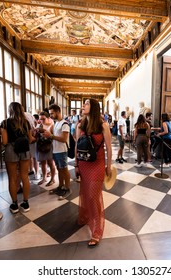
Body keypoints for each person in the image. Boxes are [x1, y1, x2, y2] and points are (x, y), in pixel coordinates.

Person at [75, 98, 112, 247]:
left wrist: (109, 166)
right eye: (83, 104)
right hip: (84, 164)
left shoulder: (103, 125)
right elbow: (78, 146)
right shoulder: (80, 125)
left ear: (94, 107)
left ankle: (97, 227)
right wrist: (76, 165)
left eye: (87, 103)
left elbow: (109, 148)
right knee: (86, 192)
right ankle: (88, 215)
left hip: (97, 164)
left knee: (92, 195)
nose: (83, 105)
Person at [1, 102, 33, 214]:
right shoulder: (26, 122)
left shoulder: (5, 123)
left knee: (12, 178)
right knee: (25, 176)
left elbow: (4, 141)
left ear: (10, 110)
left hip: (10, 149)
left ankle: (14, 204)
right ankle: (25, 202)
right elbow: (30, 139)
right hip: (24, 150)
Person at [44, 104, 71, 200]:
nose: (50, 115)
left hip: (62, 151)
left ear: (58, 112)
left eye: (52, 113)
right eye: (50, 113)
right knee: (59, 169)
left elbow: (64, 139)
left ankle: (67, 189)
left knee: (64, 169)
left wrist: (50, 136)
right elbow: (52, 135)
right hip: (55, 150)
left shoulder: (65, 124)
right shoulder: (55, 123)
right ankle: (60, 186)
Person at [36, 111, 56, 186]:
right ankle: (44, 178)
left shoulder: (52, 125)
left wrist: (45, 132)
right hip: (41, 146)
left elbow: (54, 136)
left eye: (43, 119)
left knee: (51, 163)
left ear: (48, 118)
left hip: (49, 146)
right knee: (43, 162)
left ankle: (52, 178)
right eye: (40, 119)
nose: (42, 121)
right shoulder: (40, 125)